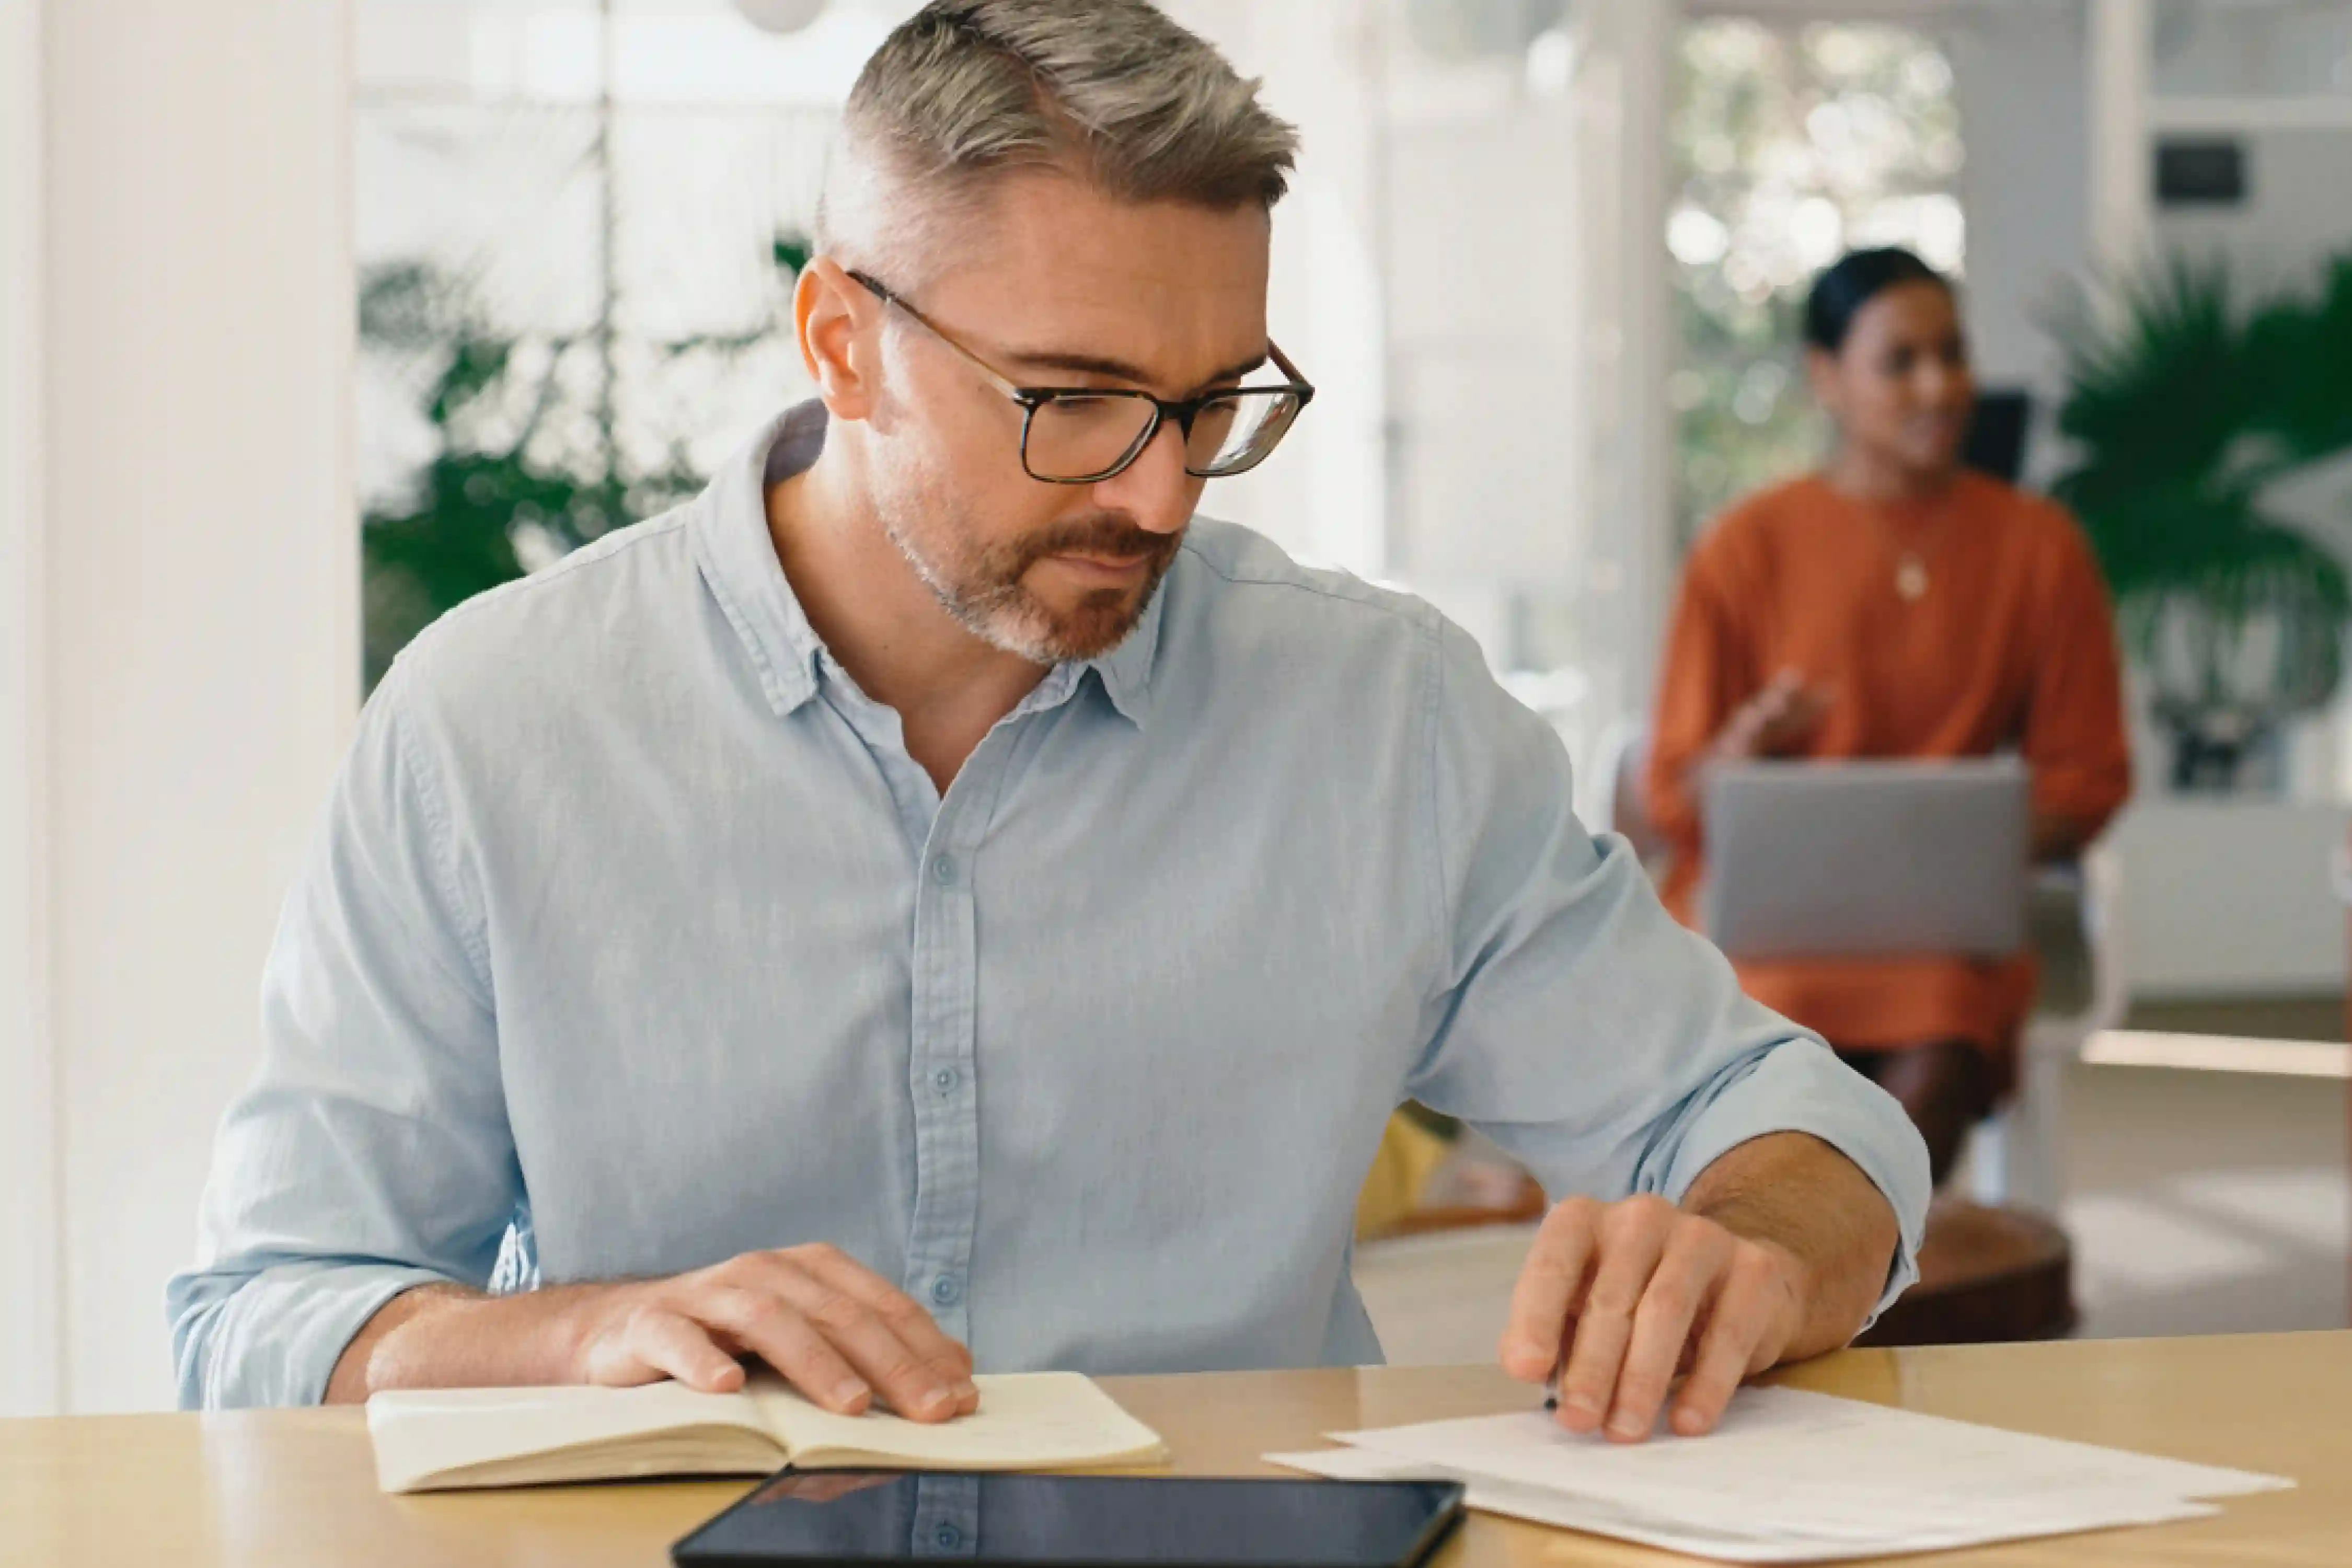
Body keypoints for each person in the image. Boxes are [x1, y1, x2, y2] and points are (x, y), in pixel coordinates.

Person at [169, 0, 1928, 1447]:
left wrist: (1760, 1249)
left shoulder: (1383, 718)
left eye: (1214, 402)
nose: (1163, 498)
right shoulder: (494, 726)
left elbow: (1783, 1118)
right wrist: (590, 1336)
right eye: (1076, 404)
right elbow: (261, 1314)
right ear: (843, 345)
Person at [1645, 248, 2132, 1187]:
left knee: (1942, 1024)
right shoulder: (1744, 548)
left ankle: (1842, 1280)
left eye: (1953, 354)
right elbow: (1675, 794)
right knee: (1766, 1042)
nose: (1940, 386)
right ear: (1825, 377)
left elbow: (2090, 775)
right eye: (1900, 361)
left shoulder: (2041, 549)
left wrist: (1962, 842)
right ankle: (1833, 1280)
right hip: (1767, 937)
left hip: (1942, 937)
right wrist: (1746, 750)